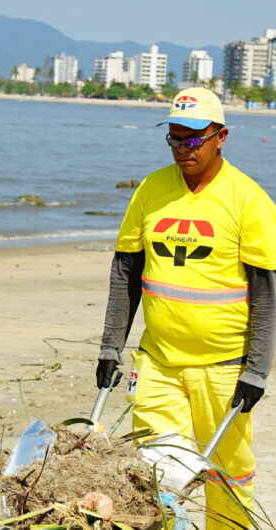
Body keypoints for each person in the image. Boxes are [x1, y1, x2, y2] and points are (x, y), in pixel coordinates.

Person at [96, 87, 276, 528]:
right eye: (175, 138)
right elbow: (126, 272)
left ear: (221, 137)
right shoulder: (152, 189)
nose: (183, 149)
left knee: (227, 474)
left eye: (193, 139)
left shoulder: (248, 200)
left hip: (224, 368)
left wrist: (257, 370)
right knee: (156, 472)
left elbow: (267, 293)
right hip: (159, 362)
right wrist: (108, 348)